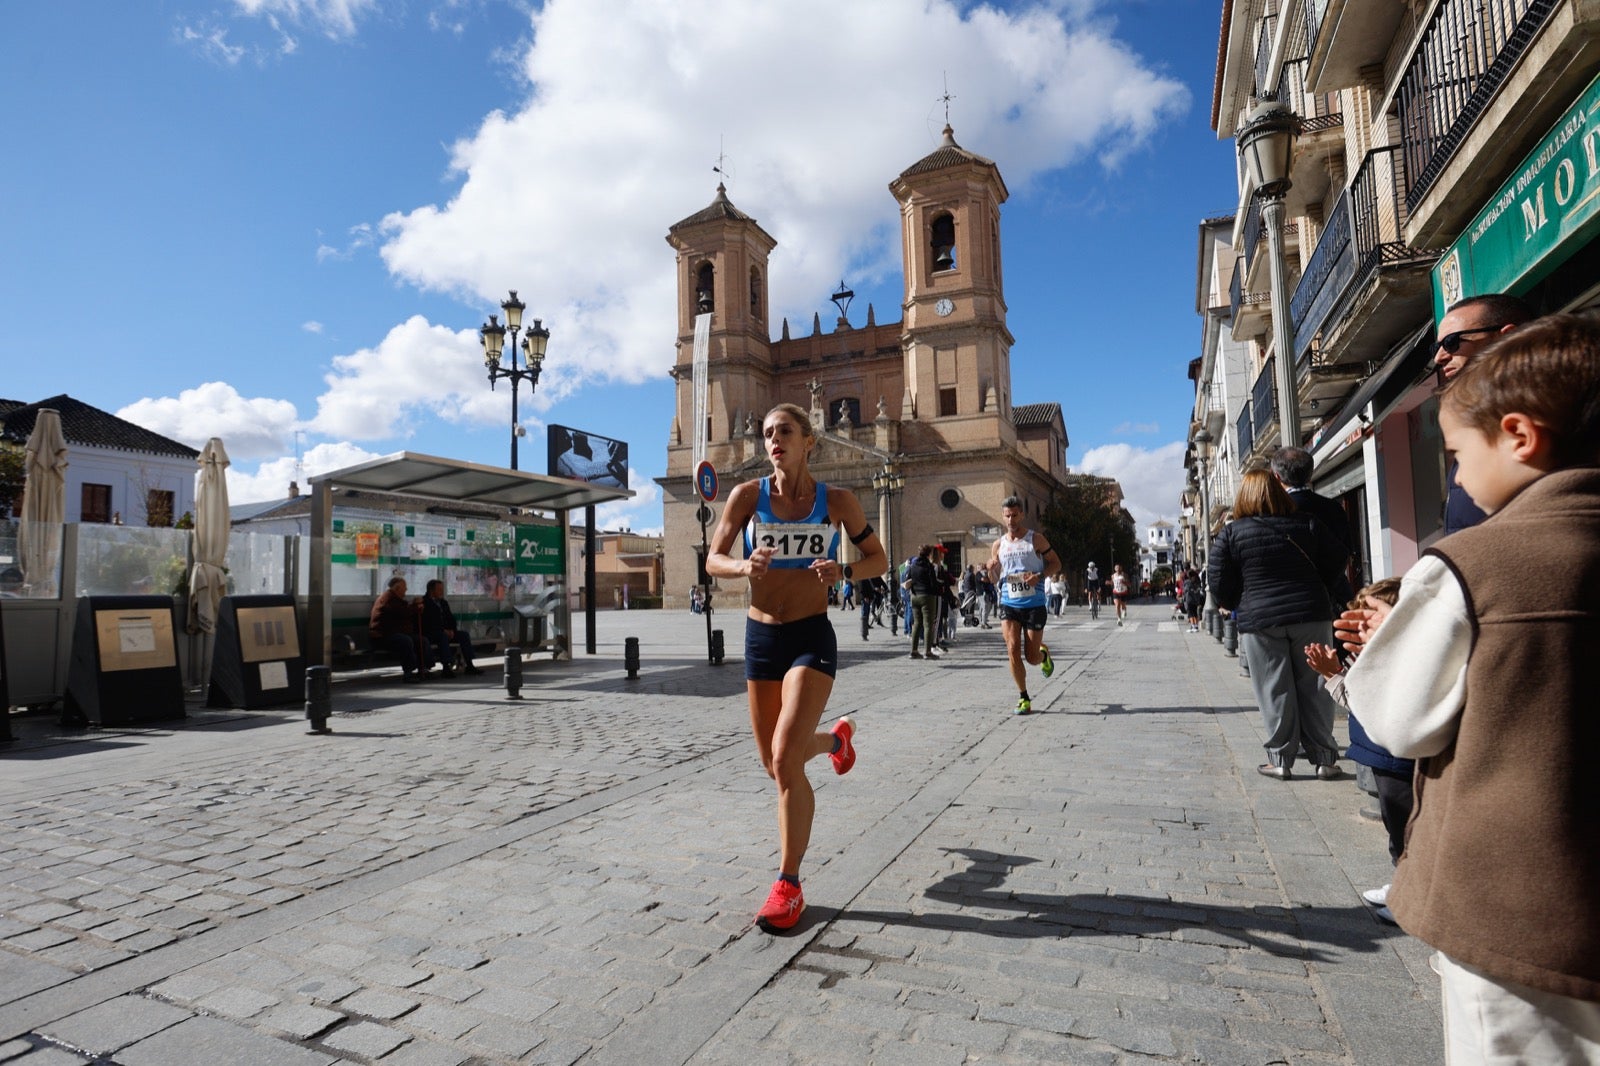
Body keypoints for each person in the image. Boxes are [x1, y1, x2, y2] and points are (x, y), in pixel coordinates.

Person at [1342, 315, 1600, 1059]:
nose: (1454, 477)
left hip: (1515, 906)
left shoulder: (1470, 564)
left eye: (1456, 455)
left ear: (1519, 436)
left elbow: (1401, 720)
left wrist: (1384, 642)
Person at [704, 403, 887, 933]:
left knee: (785, 759)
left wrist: (844, 570)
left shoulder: (839, 501)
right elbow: (713, 559)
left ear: (810, 441)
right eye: (767, 433)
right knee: (774, 762)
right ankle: (835, 743)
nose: (774, 440)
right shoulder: (746, 497)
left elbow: (879, 558)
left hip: (811, 636)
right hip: (761, 637)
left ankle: (788, 884)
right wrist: (742, 564)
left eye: (785, 431)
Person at [1208, 469, 1349, 780]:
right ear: (1280, 493)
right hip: (1310, 614)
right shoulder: (1309, 524)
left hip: (1261, 621)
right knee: (1317, 685)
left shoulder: (1232, 534)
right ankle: (1325, 759)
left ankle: (1281, 760)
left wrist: (1234, 603)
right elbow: (1338, 560)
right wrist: (1319, 588)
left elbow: (1218, 580)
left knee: (1274, 688)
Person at [1304, 577, 1408, 923]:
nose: (1360, 634)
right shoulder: (1364, 663)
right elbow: (1354, 701)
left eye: (1369, 623)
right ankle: (1403, 886)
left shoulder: (1406, 665)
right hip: (1379, 758)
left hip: (1400, 761)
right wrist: (1334, 673)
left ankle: (1409, 897)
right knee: (1397, 830)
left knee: (1409, 833)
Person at [1433, 293, 1535, 534]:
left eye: (1452, 342)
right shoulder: (1480, 414)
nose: (1439, 357)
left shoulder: (1553, 411)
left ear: (1508, 337)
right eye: (1436, 347)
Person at [984, 496, 1058, 715]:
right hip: (1009, 603)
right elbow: (995, 578)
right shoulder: (998, 545)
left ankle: (1044, 656)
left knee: (1032, 657)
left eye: (1015, 515)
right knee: (1012, 648)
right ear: (1003, 516)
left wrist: (1040, 575)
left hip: (1034, 604)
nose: (1011, 520)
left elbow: (1056, 563)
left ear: (1022, 515)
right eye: (1007, 515)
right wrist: (991, 567)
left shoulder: (1036, 539)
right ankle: (1024, 697)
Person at [1270, 445, 1355, 603]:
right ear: (1309, 476)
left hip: (1291, 600)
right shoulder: (1334, 508)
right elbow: (1346, 550)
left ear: (1277, 477)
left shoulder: (1274, 514)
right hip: (1335, 597)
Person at [420, 578, 481, 678]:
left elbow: (451, 618)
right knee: (442, 636)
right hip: (432, 632)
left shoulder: (443, 603)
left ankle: (469, 665)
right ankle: (446, 667)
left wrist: (452, 630)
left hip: (446, 631)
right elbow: (428, 623)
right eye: (439, 589)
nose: (441, 592)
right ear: (431, 590)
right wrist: (443, 630)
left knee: (464, 635)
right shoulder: (425, 603)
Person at [368, 576, 422, 682]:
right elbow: (402, 612)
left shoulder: (395, 599)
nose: (406, 590)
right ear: (397, 588)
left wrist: (414, 607)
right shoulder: (388, 599)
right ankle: (408, 673)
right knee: (406, 641)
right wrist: (415, 606)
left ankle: (424, 668)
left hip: (392, 633)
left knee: (421, 640)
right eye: (404, 587)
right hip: (382, 636)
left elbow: (404, 610)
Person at [903, 545, 942, 660]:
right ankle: (927, 651)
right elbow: (932, 582)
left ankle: (914, 651)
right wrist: (939, 589)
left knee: (917, 623)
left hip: (914, 596)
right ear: (929, 554)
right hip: (927, 597)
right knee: (928, 624)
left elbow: (908, 579)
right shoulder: (928, 566)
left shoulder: (913, 565)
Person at [1182, 568, 1205, 633]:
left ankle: (1193, 626)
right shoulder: (1198, 582)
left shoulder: (1187, 582)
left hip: (1189, 599)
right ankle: (1196, 626)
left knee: (1190, 613)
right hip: (1196, 600)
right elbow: (1198, 590)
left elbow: (1185, 590)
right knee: (1195, 613)